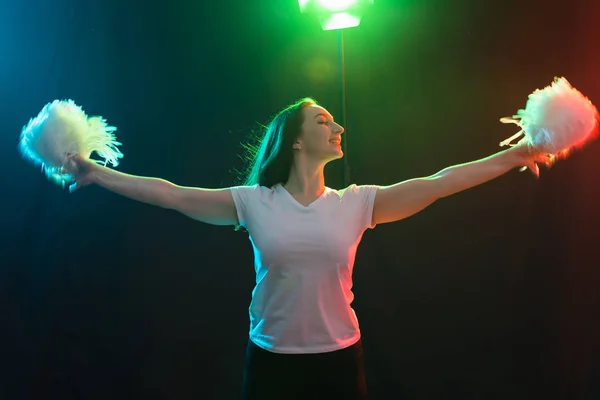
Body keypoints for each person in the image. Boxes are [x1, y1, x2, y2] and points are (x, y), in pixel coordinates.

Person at [67, 97, 549, 399]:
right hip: (271, 364)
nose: (338, 129)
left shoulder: (356, 204)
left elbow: (441, 182)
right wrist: (98, 173)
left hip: (339, 362)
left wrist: (514, 155)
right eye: (324, 121)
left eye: (336, 123)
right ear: (295, 140)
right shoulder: (253, 203)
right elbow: (171, 194)